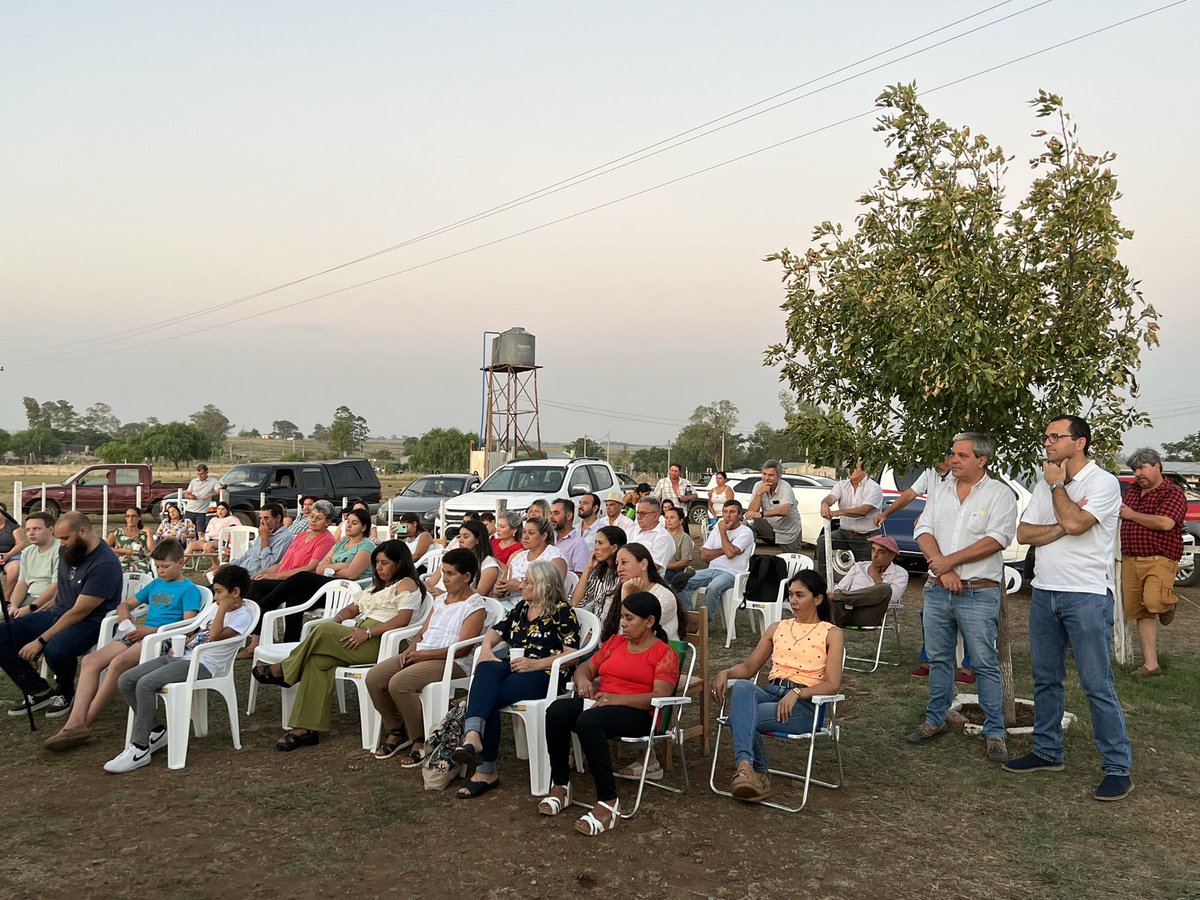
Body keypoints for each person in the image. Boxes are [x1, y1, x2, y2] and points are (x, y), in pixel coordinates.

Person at [1007, 415, 1133, 802]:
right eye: (1045, 436)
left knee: (1097, 683)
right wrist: (1063, 520)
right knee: (1046, 679)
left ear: (1079, 442)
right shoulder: (1046, 484)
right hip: (1044, 592)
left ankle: (1117, 767)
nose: (1047, 442)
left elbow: (1079, 524)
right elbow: (1025, 534)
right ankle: (1047, 751)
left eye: (1055, 436)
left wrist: (1060, 493)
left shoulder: (1102, 482)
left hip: (1087, 594)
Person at [904, 433, 1016, 764]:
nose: (953, 460)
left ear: (982, 460)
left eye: (962, 455)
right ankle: (934, 720)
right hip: (939, 589)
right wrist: (943, 568)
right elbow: (922, 529)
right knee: (939, 659)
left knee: (983, 662)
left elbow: (997, 539)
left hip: (979, 592)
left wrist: (949, 563)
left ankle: (995, 731)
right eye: (952, 454)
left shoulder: (1000, 495)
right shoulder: (939, 490)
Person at [251, 541, 427, 750]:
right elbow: (352, 609)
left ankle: (284, 669)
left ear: (399, 563)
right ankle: (305, 728)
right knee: (317, 661)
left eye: (384, 563)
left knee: (323, 630)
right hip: (359, 634)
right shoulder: (376, 587)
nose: (379, 568)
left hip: (381, 640)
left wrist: (368, 633)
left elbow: (402, 620)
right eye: (377, 562)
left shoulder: (406, 584)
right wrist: (339, 618)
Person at [538, 590, 680, 834]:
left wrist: (618, 698)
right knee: (557, 711)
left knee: (588, 721)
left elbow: (660, 696)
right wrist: (583, 679)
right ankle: (561, 784)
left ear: (649, 622)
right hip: (602, 705)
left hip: (639, 714)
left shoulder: (664, 654)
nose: (622, 623)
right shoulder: (615, 643)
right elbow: (586, 667)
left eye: (629, 618)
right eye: (622, 617)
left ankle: (609, 801)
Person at [44, 538, 204, 751]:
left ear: (181, 563)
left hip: (162, 640)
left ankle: (84, 723)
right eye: (157, 566)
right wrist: (124, 616)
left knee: (118, 663)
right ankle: (75, 720)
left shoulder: (188, 589)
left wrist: (150, 631)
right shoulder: (155, 584)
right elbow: (125, 604)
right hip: (138, 634)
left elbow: (188, 626)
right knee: (91, 660)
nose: (161, 571)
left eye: (165, 566)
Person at [104, 564, 255, 774]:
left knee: (146, 684)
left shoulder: (242, 616)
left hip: (202, 665)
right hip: (182, 657)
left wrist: (221, 608)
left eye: (219, 592)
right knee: (127, 680)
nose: (216, 597)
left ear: (235, 592)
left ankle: (140, 748)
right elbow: (198, 631)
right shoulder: (214, 608)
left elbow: (213, 636)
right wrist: (184, 643)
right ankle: (156, 731)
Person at [451, 560, 581, 798]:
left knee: (487, 694)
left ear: (544, 585)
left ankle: (484, 767)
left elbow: (572, 654)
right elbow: (495, 631)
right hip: (512, 667)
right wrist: (487, 649)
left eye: (527, 582)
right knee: (486, 668)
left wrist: (536, 664)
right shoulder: (522, 608)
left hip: (544, 675)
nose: (521, 586)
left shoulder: (562, 611)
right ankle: (473, 738)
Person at [712, 569, 844, 801]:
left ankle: (757, 773)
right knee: (742, 687)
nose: (793, 600)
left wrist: (797, 692)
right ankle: (747, 767)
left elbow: (832, 685)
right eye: (790, 594)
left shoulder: (831, 633)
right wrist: (725, 672)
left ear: (818, 599)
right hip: (772, 693)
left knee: (739, 716)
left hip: (805, 705)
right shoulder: (777, 627)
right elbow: (749, 668)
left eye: (800, 595)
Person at [366, 548, 489, 764]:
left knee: (399, 683)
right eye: (443, 572)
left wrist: (423, 655)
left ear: (467, 577)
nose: (444, 578)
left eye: (450, 574)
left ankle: (421, 739)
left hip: (451, 661)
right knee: (374, 678)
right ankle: (397, 728)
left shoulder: (475, 605)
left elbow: (462, 649)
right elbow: (423, 632)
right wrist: (410, 650)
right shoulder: (442, 600)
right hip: (423, 653)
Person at [1, 512, 123, 717]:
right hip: (58, 612)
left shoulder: (105, 564)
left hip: (92, 621)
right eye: (60, 539)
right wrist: (37, 608)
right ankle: (37, 690)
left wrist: (40, 640)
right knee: (3, 634)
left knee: (55, 649)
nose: (62, 544)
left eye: (65, 538)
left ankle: (65, 691)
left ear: (82, 531)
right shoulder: (68, 549)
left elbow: (78, 611)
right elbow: (62, 589)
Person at [240, 502, 358, 652]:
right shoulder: (301, 536)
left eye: (319, 518)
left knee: (269, 589)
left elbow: (311, 568)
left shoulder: (326, 540)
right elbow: (283, 563)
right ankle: (258, 640)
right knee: (257, 582)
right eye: (312, 516)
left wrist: (275, 576)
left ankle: (266, 620)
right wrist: (266, 572)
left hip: (297, 581)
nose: (313, 520)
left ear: (328, 522)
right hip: (285, 578)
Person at [1118, 448, 1186, 677]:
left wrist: (1131, 515)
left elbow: (1166, 523)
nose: (1137, 474)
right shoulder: (1131, 492)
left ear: (1157, 466)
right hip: (1131, 559)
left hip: (1160, 558)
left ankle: (1170, 603)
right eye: (1135, 469)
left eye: (1142, 468)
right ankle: (1151, 665)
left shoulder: (1172, 492)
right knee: (1141, 613)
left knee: (1154, 602)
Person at [678, 499, 755, 623]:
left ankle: (704, 622)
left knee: (713, 587)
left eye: (732, 512)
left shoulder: (745, 532)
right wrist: (726, 549)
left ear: (740, 515)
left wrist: (723, 532)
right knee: (681, 581)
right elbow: (704, 555)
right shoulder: (716, 530)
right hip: (712, 569)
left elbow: (730, 554)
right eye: (725, 512)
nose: (728, 515)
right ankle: (690, 618)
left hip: (733, 573)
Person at [816, 459, 884, 577]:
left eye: (855, 468)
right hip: (844, 533)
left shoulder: (874, 488)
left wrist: (839, 512)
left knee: (865, 573)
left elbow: (863, 511)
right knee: (823, 541)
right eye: (849, 467)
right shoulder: (842, 485)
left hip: (866, 537)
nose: (851, 471)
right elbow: (830, 498)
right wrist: (825, 504)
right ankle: (824, 580)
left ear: (865, 470)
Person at [604, 543, 685, 643]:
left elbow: (632, 634)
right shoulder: (614, 594)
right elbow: (606, 633)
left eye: (624, 562)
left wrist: (626, 595)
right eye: (617, 564)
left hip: (657, 654)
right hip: (623, 654)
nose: (619, 569)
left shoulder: (664, 597)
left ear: (643, 564)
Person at [830, 534, 909, 627]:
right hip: (845, 612)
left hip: (871, 615)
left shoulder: (900, 573)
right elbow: (838, 589)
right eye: (873, 550)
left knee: (885, 589)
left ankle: (842, 597)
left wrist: (875, 576)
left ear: (891, 556)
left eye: (881, 552)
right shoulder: (859, 566)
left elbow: (891, 599)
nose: (875, 555)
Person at [874, 452, 952, 529]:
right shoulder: (931, 471)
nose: (934, 463)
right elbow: (910, 494)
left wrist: (925, 515)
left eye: (938, 459)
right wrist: (884, 514)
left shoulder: (958, 476)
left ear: (949, 458)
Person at [424, 520, 500, 598]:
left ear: (478, 539)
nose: (460, 540)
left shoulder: (488, 564)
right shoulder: (453, 557)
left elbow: (481, 593)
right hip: (436, 599)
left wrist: (446, 594)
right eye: (459, 536)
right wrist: (427, 590)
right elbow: (430, 582)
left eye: (466, 536)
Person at [493, 517, 567, 598]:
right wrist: (500, 589)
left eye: (531, 533)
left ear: (544, 536)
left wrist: (520, 586)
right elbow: (507, 582)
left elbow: (554, 589)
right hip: (512, 605)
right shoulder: (519, 556)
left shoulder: (555, 556)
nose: (525, 537)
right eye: (524, 532)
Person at [746, 460, 804, 554]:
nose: (766, 478)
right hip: (771, 526)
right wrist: (758, 494)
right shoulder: (758, 485)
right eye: (764, 474)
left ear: (779, 476)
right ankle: (747, 551)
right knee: (747, 518)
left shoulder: (785, 486)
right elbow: (752, 511)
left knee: (790, 560)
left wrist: (762, 514)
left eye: (771, 475)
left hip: (788, 530)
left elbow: (785, 510)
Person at [7, 511, 60, 612]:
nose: (31, 533)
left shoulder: (60, 550)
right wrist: (14, 606)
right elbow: (22, 582)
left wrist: (29, 608)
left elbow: (55, 586)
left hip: (46, 601)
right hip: (28, 596)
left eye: (36, 529)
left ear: (51, 530)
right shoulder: (27, 552)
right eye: (27, 530)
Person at [228, 503, 294, 577]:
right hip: (241, 571)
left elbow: (267, 566)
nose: (262, 522)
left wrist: (264, 539)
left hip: (254, 577)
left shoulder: (285, 537)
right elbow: (247, 556)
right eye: (260, 518)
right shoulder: (264, 531)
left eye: (266, 518)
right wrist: (229, 566)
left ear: (278, 518)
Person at [628, 497, 674, 573]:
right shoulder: (631, 530)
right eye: (638, 513)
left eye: (643, 513)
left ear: (656, 516)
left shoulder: (663, 537)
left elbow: (654, 567)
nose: (638, 517)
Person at [107, 507, 156, 575]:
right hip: (121, 561)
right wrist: (123, 550)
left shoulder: (144, 533)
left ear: (139, 518)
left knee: (141, 572)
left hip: (140, 562)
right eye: (128, 516)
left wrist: (149, 532)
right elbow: (105, 548)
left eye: (134, 516)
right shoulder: (117, 532)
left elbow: (152, 550)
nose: (130, 519)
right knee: (118, 572)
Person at [662, 506, 699, 590]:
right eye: (666, 517)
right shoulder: (660, 535)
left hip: (673, 571)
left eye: (672, 517)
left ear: (680, 521)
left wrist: (664, 566)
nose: (668, 520)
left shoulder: (684, 538)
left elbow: (685, 562)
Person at [550, 499, 588, 575]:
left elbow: (580, 575)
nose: (551, 517)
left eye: (556, 513)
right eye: (550, 513)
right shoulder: (547, 537)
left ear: (569, 516)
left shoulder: (578, 544)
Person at [182, 464, 221, 536]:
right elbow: (186, 494)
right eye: (198, 474)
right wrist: (190, 496)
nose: (200, 476)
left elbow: (219, 490)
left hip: (201, 512)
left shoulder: (213, 481)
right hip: (190, 510)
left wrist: (210, 495)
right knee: (186, 531)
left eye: (202, 474)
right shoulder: (194, 481)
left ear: (207, 472)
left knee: (200, 532)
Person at [0, 502, 29, 595]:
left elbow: (20, 544)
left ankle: (6, 597)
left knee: (15, 568)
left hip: (12, 554)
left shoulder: (14, 526)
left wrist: (8, 555)